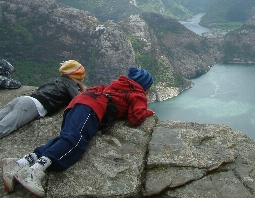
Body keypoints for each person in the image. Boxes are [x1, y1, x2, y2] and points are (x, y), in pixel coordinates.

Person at [2, 66, 155, 197]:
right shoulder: (137, 93)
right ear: (144, 86)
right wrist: (149, 112)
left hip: (78, 103)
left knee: (66, 138)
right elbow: (136, 117)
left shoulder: (117, 86)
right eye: (149, 87)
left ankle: (19, 163)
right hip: (92, 108)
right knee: (75, 142)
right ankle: (34, 171)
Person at [0, 60, 86, 139]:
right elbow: (79, 99)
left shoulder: (56, 80)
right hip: (32, 105)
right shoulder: (70, 83)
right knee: (5, 127)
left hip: (23, 99)